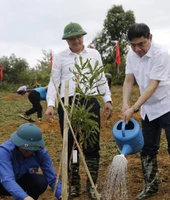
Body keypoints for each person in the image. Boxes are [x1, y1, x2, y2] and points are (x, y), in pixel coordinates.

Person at [121, 23, 170, 200]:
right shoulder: (131, 54)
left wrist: (133, 108)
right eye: (133, 45)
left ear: (150, 38)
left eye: (141, 44)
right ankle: (151, 185)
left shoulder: (160, 54)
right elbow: (129, 80)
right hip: (148, 107)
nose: (137, 49)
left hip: (167, 103)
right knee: (147, 147)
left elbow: (153, 86)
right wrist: (124, 103)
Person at [45, 22, 113, 198]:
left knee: (92, 145)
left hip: (89, 100)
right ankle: (74, 183)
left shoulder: (94, 54)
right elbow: (54, 81)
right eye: (71, 38)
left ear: (83, 37)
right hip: (68, 104)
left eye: (78, 36)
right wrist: (51, 104)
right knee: (72, 146)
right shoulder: (60, 57)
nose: (75, 40)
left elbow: (100, 78)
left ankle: (92, 185)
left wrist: (107, 99)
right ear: (66, 40)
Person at [0, 123, 62, 200]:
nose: (29, 152)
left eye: (33, 150)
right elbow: (7, 179)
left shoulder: (41, 153)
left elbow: (52, 178)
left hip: (20, 182)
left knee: (41, 181)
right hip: (0, 185)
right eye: (26, 149)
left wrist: (61, 194)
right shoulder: (6, 150)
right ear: (18, 143)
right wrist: (24, 197)